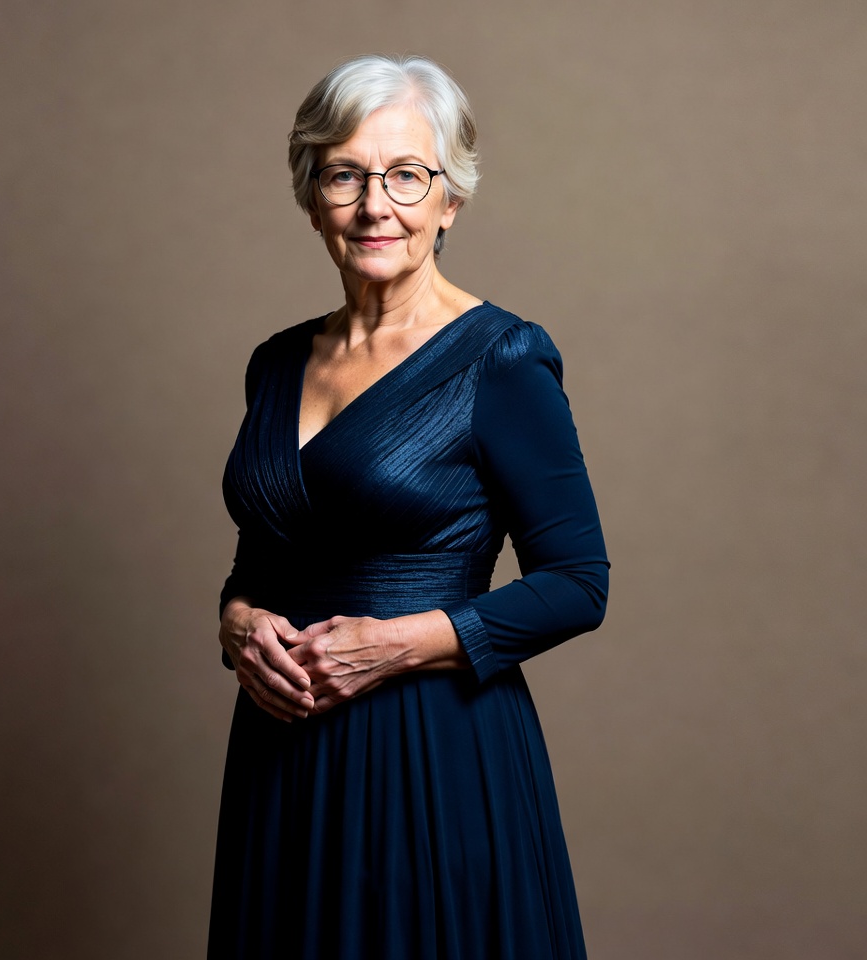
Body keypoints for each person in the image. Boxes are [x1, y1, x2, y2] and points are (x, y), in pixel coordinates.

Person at [209, 54, 609, 960]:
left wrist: (394, 645)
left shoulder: (503, 359)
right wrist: (236, 622)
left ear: (449, 200)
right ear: (312, 197)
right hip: (281, 749)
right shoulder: (276, 363)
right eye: (345, 175)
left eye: (405, 176)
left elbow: (579, 583)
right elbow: (263, 557)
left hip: (431, 747)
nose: (374, 205)